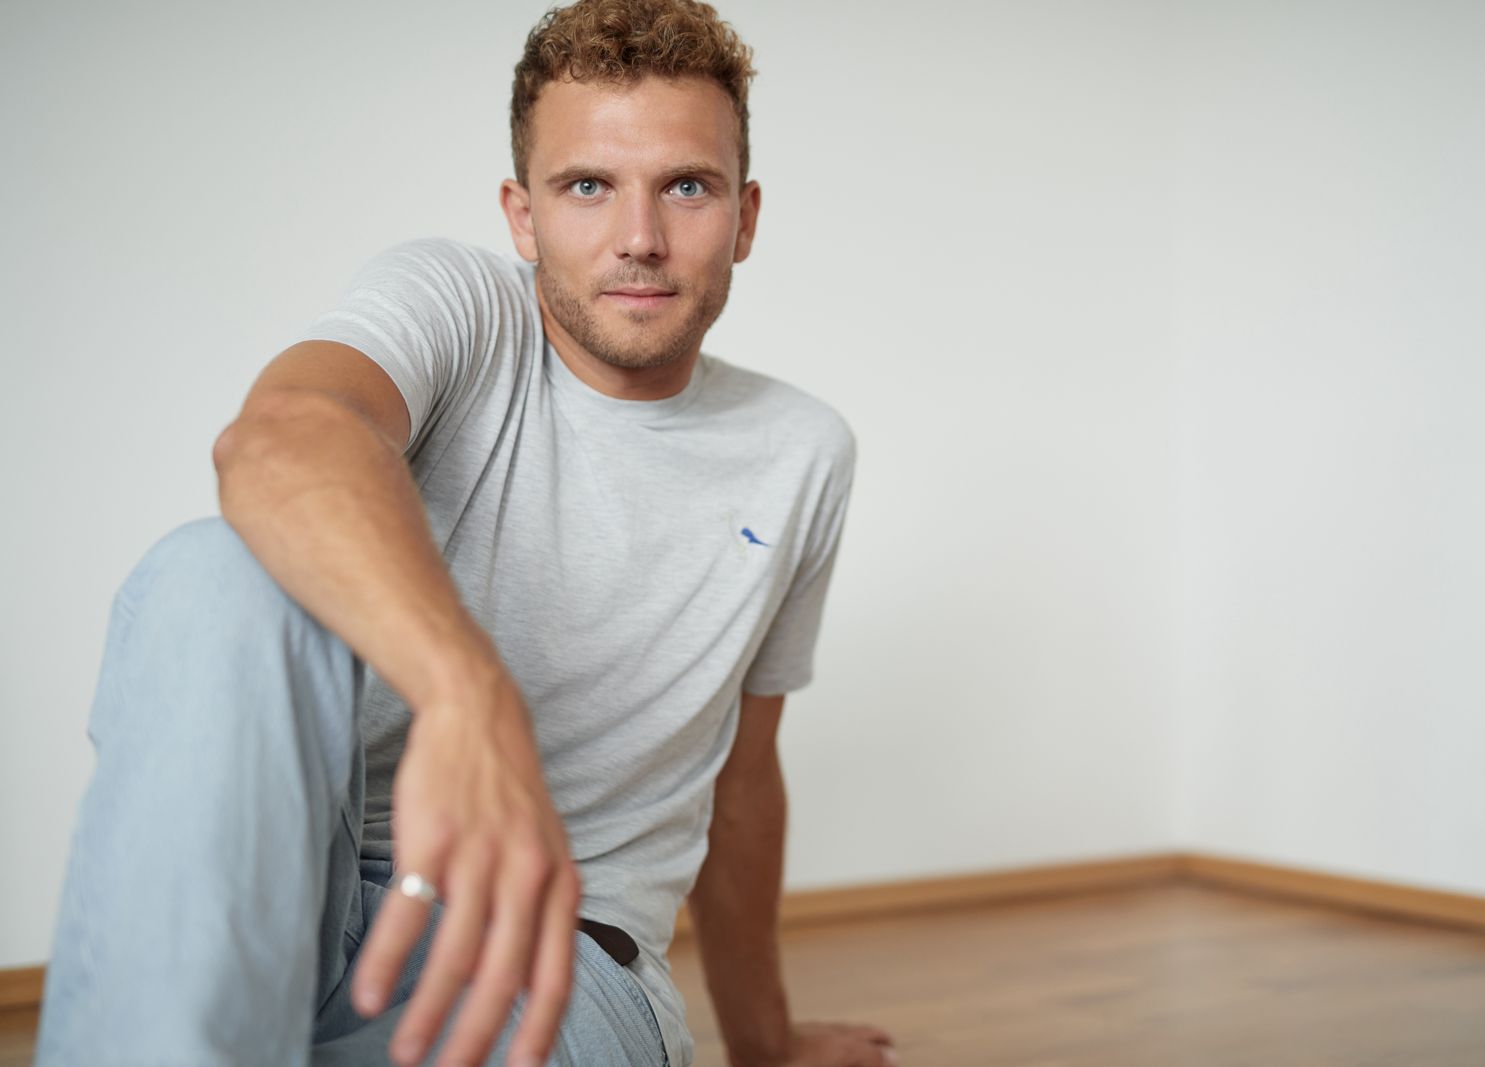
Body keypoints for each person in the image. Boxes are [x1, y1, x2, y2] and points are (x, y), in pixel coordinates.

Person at [33, 1, 900, 1065]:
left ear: (745, 216)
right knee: (209, 573)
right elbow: (281, 437)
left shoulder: (802, 450)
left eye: (686, 186)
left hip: (552, 949)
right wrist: (464, 690)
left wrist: (766, 1042)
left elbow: (743, 777)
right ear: (522, 217)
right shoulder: (458, 307)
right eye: (587, 186)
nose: (639, 237)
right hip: (304, 897)